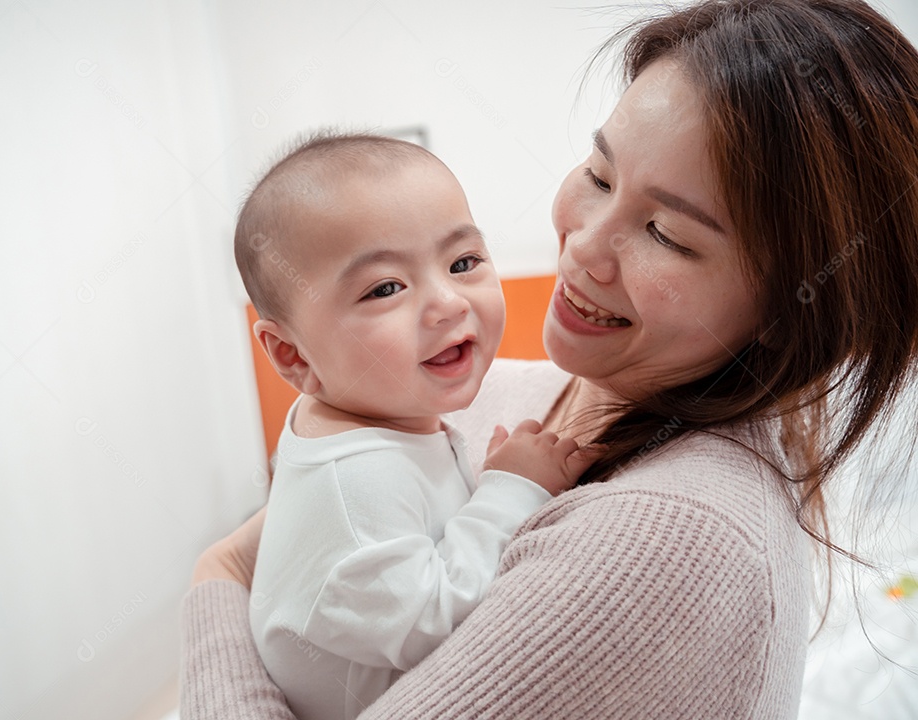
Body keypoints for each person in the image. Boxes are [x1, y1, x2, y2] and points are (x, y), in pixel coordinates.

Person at [182, 0, 918, 717]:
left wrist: (213, 578)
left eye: (666, 232)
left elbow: (240, 562)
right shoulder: (453, 401)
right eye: (599, 176)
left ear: (788, 321)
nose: (582, 245)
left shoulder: (675, 543)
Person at [234, 133, 593, 720]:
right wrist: (509, 492)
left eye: (463, 262)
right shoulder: (351, 484)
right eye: (385, 288)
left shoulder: (374, 415)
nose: (448, 301)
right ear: (293, 355)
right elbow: (436, 622)